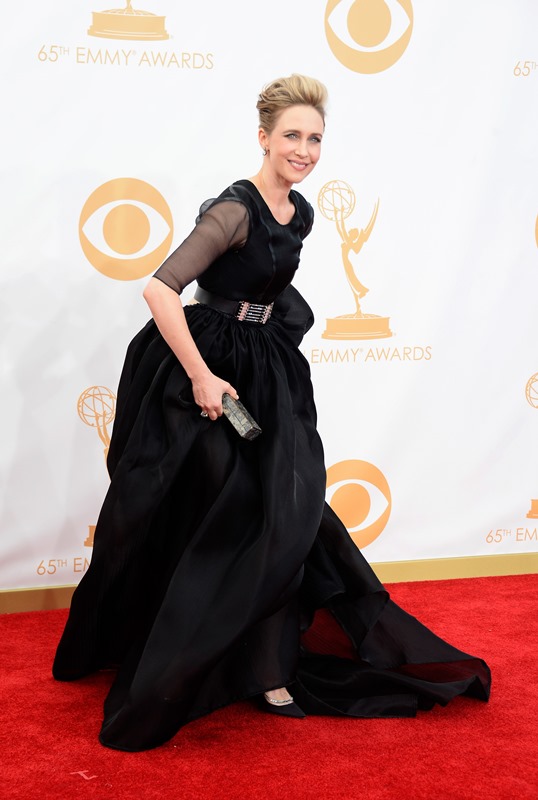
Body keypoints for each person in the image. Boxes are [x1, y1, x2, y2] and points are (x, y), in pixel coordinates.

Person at [53, 75, 491, 752]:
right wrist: (203, 378)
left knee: (287, 515)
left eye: (315, 138)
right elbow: (161, 289)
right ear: (263, 138)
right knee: (223, 513)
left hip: (264, 369)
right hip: (204, 370)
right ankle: (176, 655)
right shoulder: (233, 211)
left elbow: (267, 289)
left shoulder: (302, 213)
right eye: (292, 135)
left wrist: (274, 353)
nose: (304, 150)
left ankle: (267, 668)